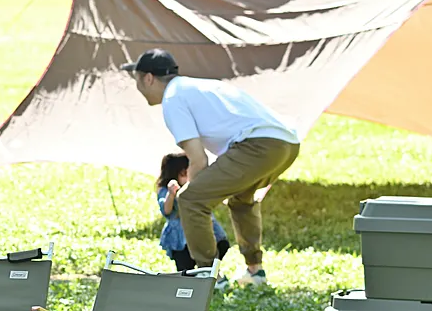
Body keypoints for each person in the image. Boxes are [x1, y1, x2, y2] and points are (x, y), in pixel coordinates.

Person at [125, 49, 301, 287]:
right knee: (242, 199)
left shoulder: (173, 99)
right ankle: (255, 272)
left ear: (148, 78)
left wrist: (195, 199)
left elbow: (198, 160)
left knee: (190, 200)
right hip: (287, 144)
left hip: (258, 145)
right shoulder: (194, 87)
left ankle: (209, 276)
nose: (137, 87)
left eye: (136, 79)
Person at [156, 152, 230, 277]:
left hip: (203, 227)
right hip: (180, 235)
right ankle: (191, 280)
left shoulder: (194, 187)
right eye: (184, 174)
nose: (189, 176)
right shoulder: (166, 191)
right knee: (185, 265)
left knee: (221, 245)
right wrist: (171, 194)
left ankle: (209, 271)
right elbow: (166, 211)